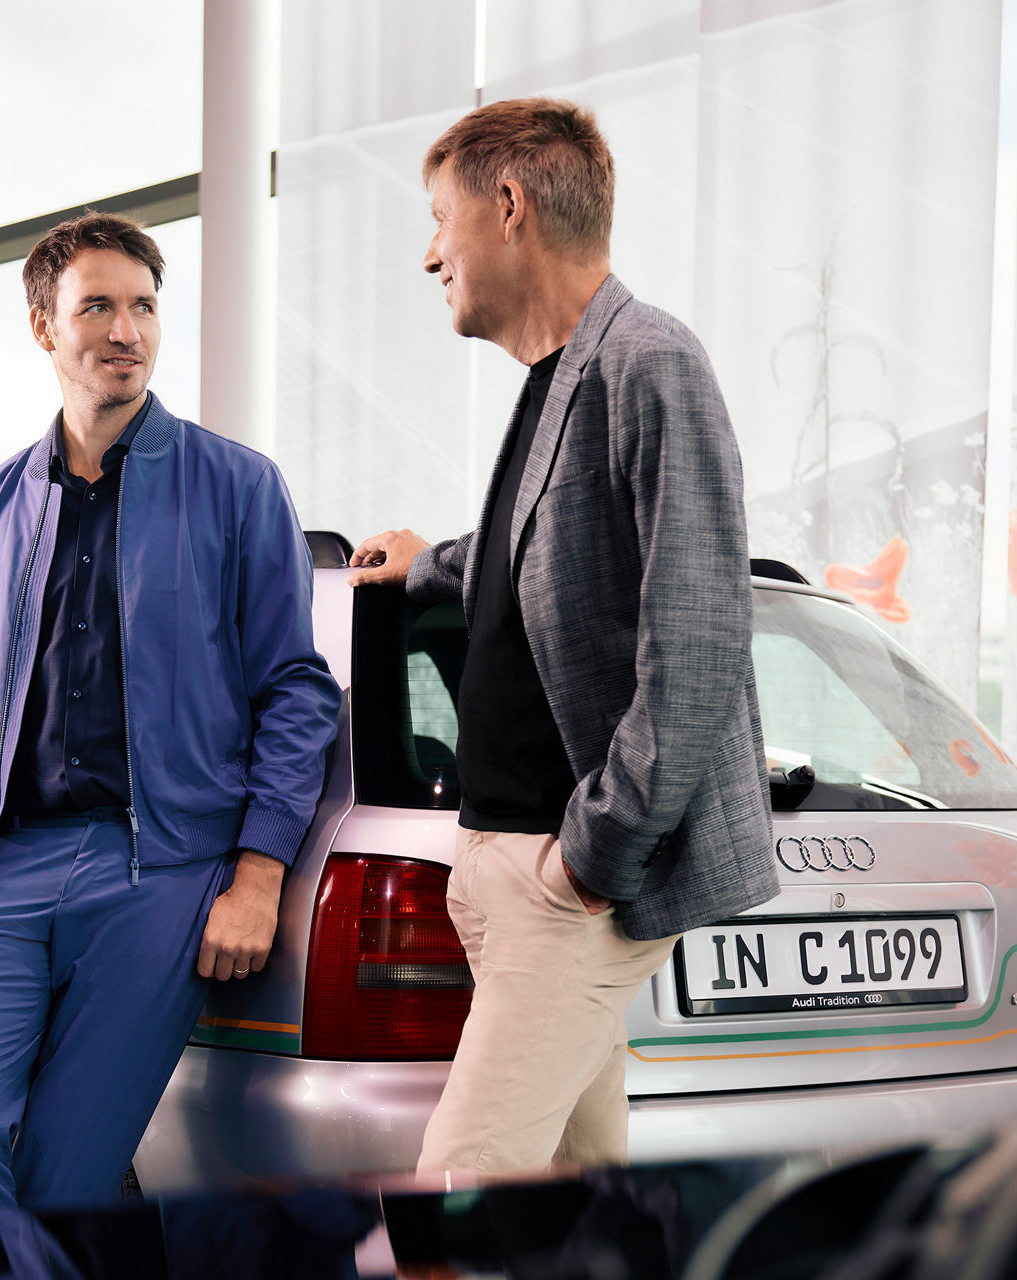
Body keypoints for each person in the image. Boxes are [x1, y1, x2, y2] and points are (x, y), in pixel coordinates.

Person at [349, 98, 778, 1176]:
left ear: (506, 207)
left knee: (452, 1203)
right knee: (581, 1215)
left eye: (437, 219)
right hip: (509, 870)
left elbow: (699, 639)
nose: (428, 253)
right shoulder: (555, 379)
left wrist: (591, 855)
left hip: (567, 885)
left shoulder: (649, 361)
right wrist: (426, 562)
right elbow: (536, 550)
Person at [0, 211, 340, 1210]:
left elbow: (295, 692)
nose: (125, 330)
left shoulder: (238, 487)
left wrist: (257, 878)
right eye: (95, 305)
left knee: (64, 1175)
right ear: (42, 327)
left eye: (142, 306)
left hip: (159, 873)